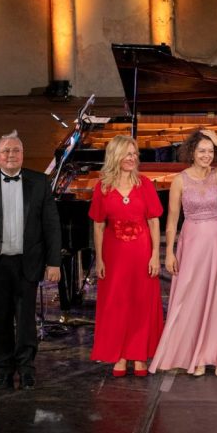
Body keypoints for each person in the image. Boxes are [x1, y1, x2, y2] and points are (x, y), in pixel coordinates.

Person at [149, 130, 217, 377]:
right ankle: (196, 356)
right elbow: (171, 221)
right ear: (192, 153)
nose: (207, 155)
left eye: (210, 151)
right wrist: (169, 253)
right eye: (202, 151)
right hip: (193, 244)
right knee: (192, 298)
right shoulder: (180, 180)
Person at [0, 130, 61, 391]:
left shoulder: (39, 182)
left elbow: (51, 225)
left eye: (16, 150)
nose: (11, 155)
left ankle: (27, 370)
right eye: (6, 151)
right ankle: (3, 370)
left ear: (22, 154)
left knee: (26, 320)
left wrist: (54, 262)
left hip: (28, 262)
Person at [89, 135, 164, 377]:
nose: (132, 158)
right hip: (114, 256)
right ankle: (120, 355)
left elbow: (154, 221)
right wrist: (100, 259)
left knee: (142, 303)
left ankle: (139, 355)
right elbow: (98, 225)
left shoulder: (145, 184)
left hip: (142, 253)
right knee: (117, 304)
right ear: (115, 156)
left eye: (134, 154)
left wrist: (155, 255)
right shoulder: (102, 188)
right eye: (127, 154)